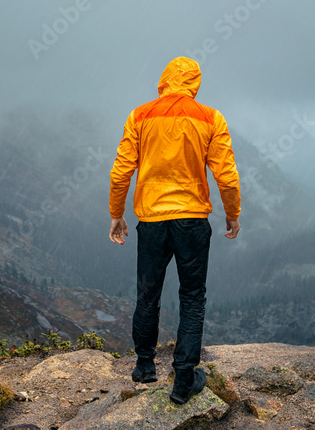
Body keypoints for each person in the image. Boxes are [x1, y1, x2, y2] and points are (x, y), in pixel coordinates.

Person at [108, 56, 241, 405]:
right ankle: (184, 380)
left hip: (151, 220)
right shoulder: (211, 118)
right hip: (192, 220)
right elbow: (226, 175)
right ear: (195, 83)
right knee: (192, 297)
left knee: (147, 295)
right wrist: (232, 214)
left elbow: (121, 171)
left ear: (163, 81)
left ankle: (144, 367)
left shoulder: (140, 115)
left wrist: (116, 213)